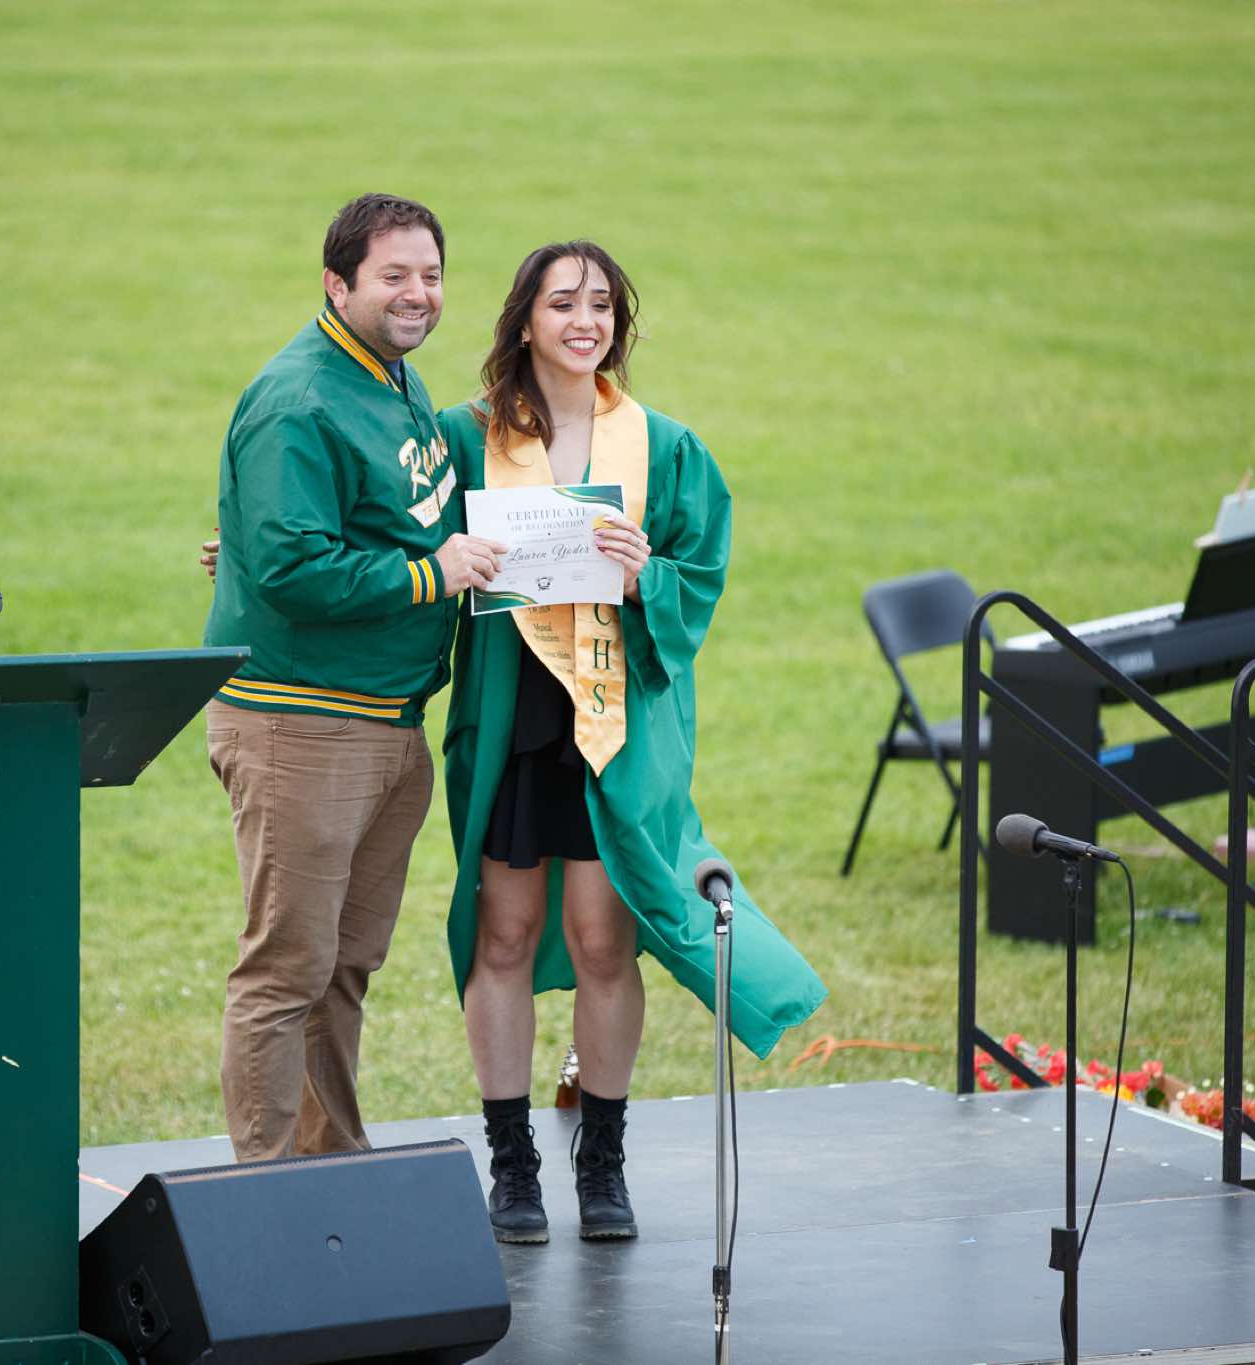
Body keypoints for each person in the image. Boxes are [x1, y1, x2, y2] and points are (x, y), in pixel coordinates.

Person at [438, 242, 826, 1243]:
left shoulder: (663, 447)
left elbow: (702, 573)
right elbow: (392, 541)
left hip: (612, 723)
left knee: (604, 940)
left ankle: (601, 1159)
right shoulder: (464, 438)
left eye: (601, 304)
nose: (585, 321)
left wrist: (644, 575)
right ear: (524, 320)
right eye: (562, 303)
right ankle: (512, 1161)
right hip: (514, 718)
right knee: (504, 936)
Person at [201, 193, 505, 1162]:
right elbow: (292, 569)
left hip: (384, 723)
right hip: (302, 725)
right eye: (393, 276)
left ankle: (330, 1172)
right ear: (337, 285)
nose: (418, 294)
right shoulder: (301, 399)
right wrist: (430, 574)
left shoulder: (390, 375)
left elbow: (332, 528)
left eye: (431, 275)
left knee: (340, 967)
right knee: (286, 971)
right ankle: (265, 1188)